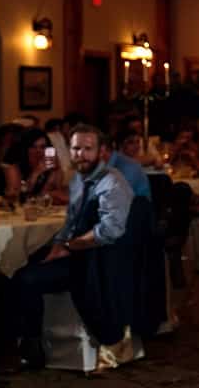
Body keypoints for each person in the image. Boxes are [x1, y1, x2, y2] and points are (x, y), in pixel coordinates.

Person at [9, 125, 135, 371]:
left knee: (25, 279)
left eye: (88, 149)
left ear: (102, 152)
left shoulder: (113, 183)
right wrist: (58, 246)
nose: (81, 154)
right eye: (76, 148)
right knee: (24, 263)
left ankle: (32, 348)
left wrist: (68, 246)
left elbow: (109, 232)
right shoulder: (79, 179)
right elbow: (72, 221)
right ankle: (19, 335)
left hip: (99, 263)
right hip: (80, 256)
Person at [3, 128, 64, 204]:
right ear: (25, 148)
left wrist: (56, 171)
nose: (38, 151)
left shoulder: (48, 164)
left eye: (42, 147)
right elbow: (17, 197)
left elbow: (52, 193)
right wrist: (36, 174)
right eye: (33, 147)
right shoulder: (13, 166)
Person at [104, 130, 152, 200]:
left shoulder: (130, 167)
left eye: (138, 142)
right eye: (131, 142)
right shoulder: (115, 162)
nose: (136, 146)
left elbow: (118, 197)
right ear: (119, 145)